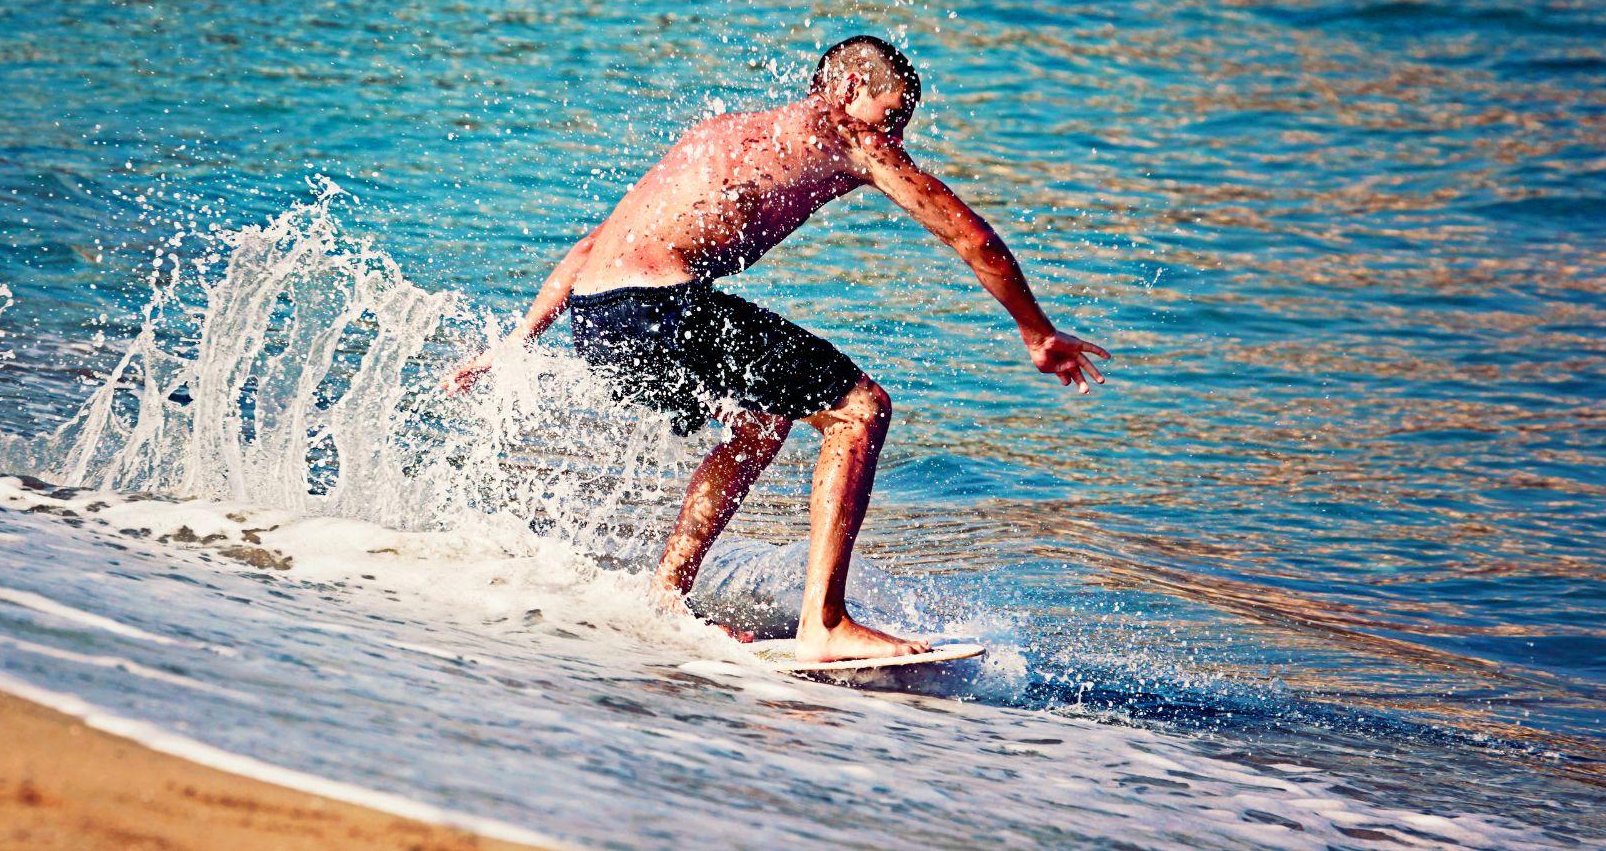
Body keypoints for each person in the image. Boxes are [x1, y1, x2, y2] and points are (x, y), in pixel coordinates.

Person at [447, 35, 1110, 661]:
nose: (895, 137)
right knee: (860, 408)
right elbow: (971, 238)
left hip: (599, 322)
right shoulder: (852, 139)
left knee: (765, 419)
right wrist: (1035, 330)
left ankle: (667, 594)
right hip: (661, 309)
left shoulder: (716, 136)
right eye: (892, 116)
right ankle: (823, 625)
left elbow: (595, 244)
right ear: (849, 88)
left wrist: (514, 344)